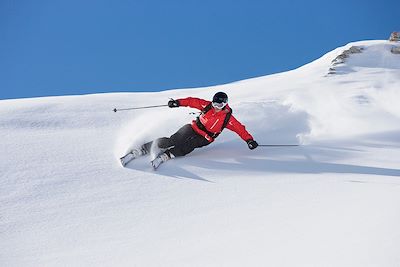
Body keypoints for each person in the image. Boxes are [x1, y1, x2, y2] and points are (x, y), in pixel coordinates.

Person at [120, 92, 258, 169]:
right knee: (174, 140)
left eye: (220, 104)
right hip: (193, 128)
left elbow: (240, 129)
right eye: (215, 103)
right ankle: (143, 149)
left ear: (225, 104)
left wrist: (249, 140)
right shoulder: (207, 106)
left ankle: (167, 155)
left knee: (187, 146)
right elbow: (192, 101)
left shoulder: (228, 118)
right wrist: (177, 103)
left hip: (206, 138)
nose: (216, 106)